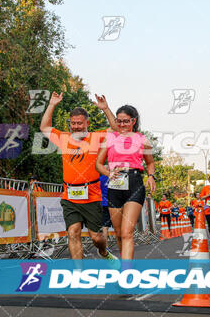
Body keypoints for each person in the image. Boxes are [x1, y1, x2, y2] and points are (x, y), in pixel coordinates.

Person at [40, 91, 119, 263]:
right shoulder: (64, 138)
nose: (75, 126)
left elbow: (115, 129)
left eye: (79, 123)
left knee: (96, 238)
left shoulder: (96, 137)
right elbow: (44, 128)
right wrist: (52, 104)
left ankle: (104, 253)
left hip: (91, 195)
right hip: (70, 196)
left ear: (86, 123)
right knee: (73, 232)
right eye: (73, 123)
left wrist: (105, 109)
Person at [95, 104, 156, 260]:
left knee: (127, 232)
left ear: (133, 121)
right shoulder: (110, 138)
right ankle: (125, 264)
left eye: (126, 121)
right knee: (119, 233)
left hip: (134, 184)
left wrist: (151, 176)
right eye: (119, 121)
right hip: (115, 185)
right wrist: (109, 173)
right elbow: (98, 164)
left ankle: (126, 274)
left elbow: (149, 162)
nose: (122, 125)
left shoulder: (142, 139)